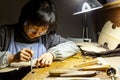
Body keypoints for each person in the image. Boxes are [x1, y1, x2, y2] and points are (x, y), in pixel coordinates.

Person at [0, 0, 79, 78]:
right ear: (24, 21)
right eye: (33, 30)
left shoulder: (47, 37)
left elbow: (72, 46)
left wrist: (52, 54)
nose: (37, 34)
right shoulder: (4, 33)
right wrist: (11, 58)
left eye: (42, 31)